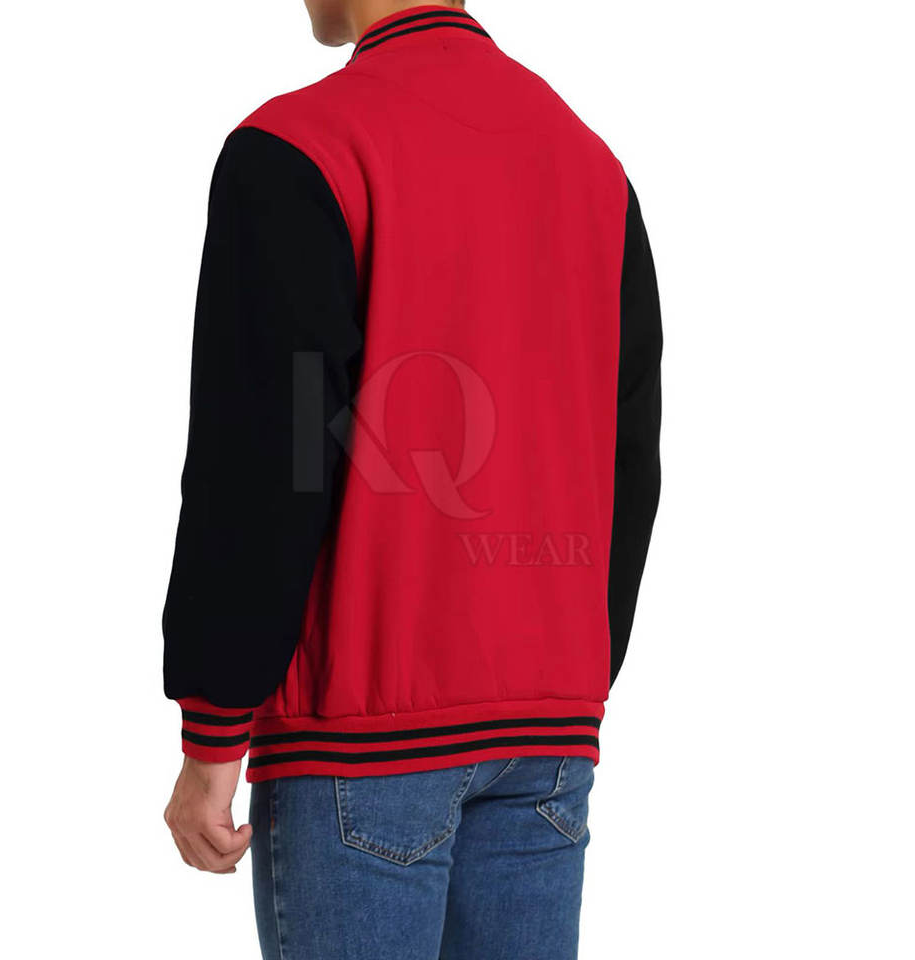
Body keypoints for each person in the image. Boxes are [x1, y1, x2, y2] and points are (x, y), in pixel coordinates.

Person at [161, 2, 661, 957]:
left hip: (362, 734)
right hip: (546, 733)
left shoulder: (300, 147)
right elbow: (628, 450)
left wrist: (213, 726)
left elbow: (261, 458)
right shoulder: (592, 165)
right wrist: (569, 676)